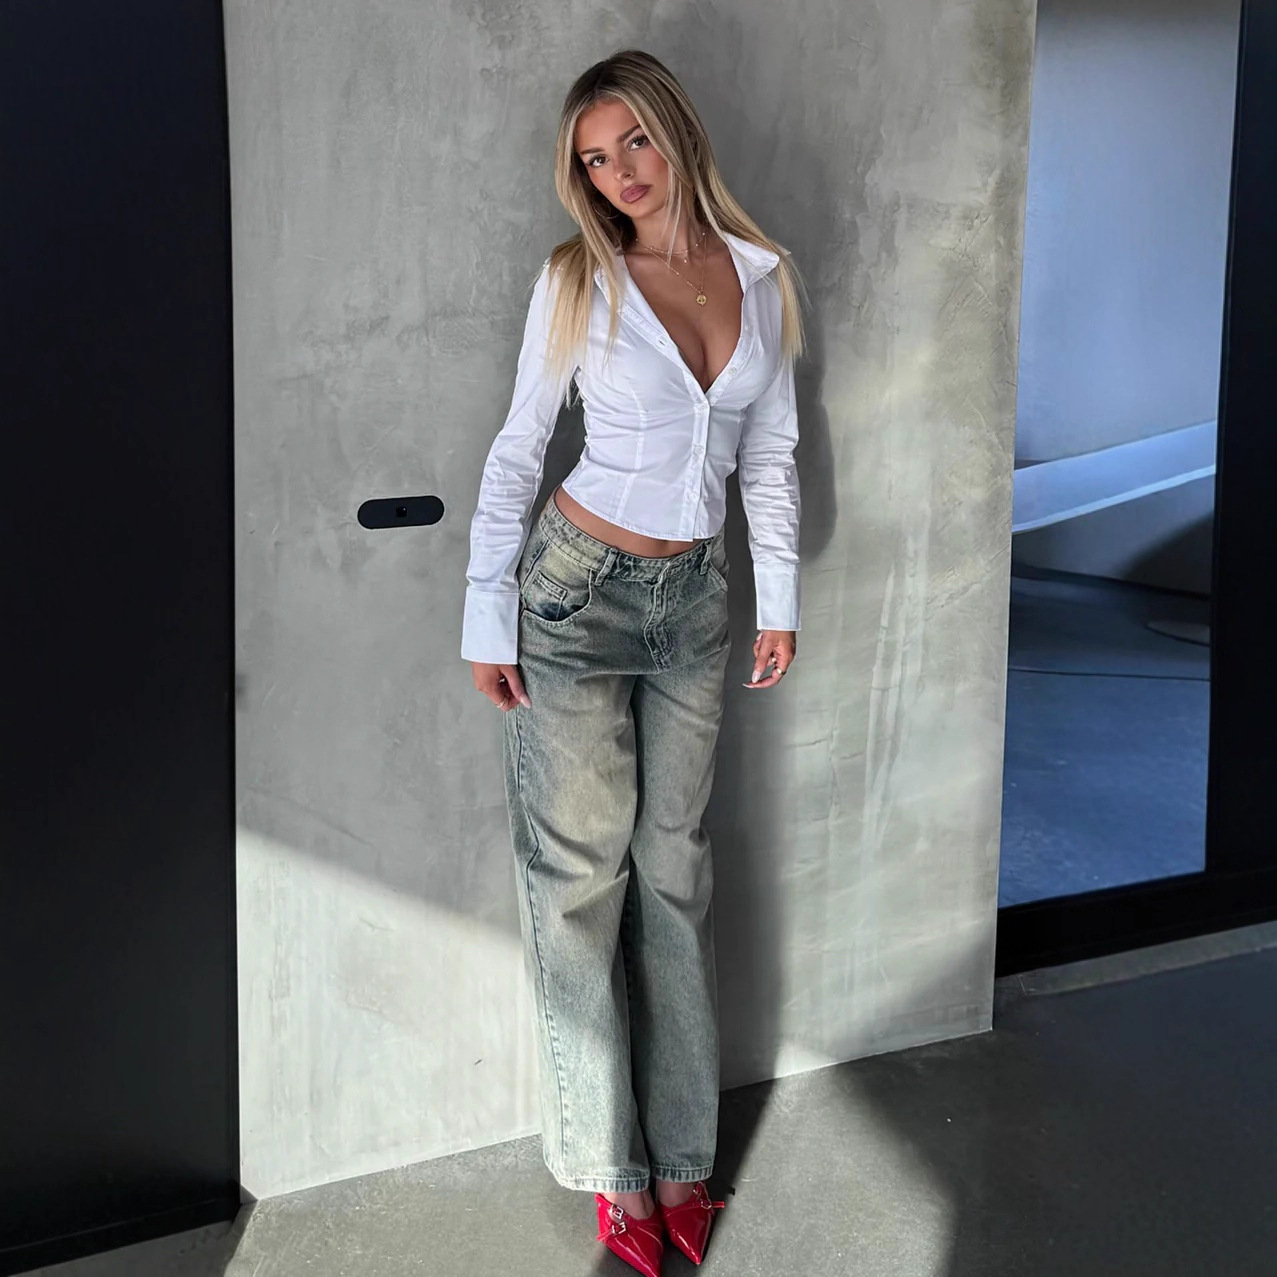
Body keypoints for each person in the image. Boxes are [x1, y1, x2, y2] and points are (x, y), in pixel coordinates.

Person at [460, 48, 804, 1276]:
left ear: (676, 134)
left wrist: (777, 601)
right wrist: (485, 612)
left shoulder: (757, 276)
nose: (619, 174)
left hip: (697, 597)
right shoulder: (578, 279)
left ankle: (681, 1156)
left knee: (673, 870)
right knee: (578, 878)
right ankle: (611, 1168)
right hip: (574, 591)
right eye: (595, 160)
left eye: (634, 143)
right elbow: (519, 446)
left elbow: (768, 453)